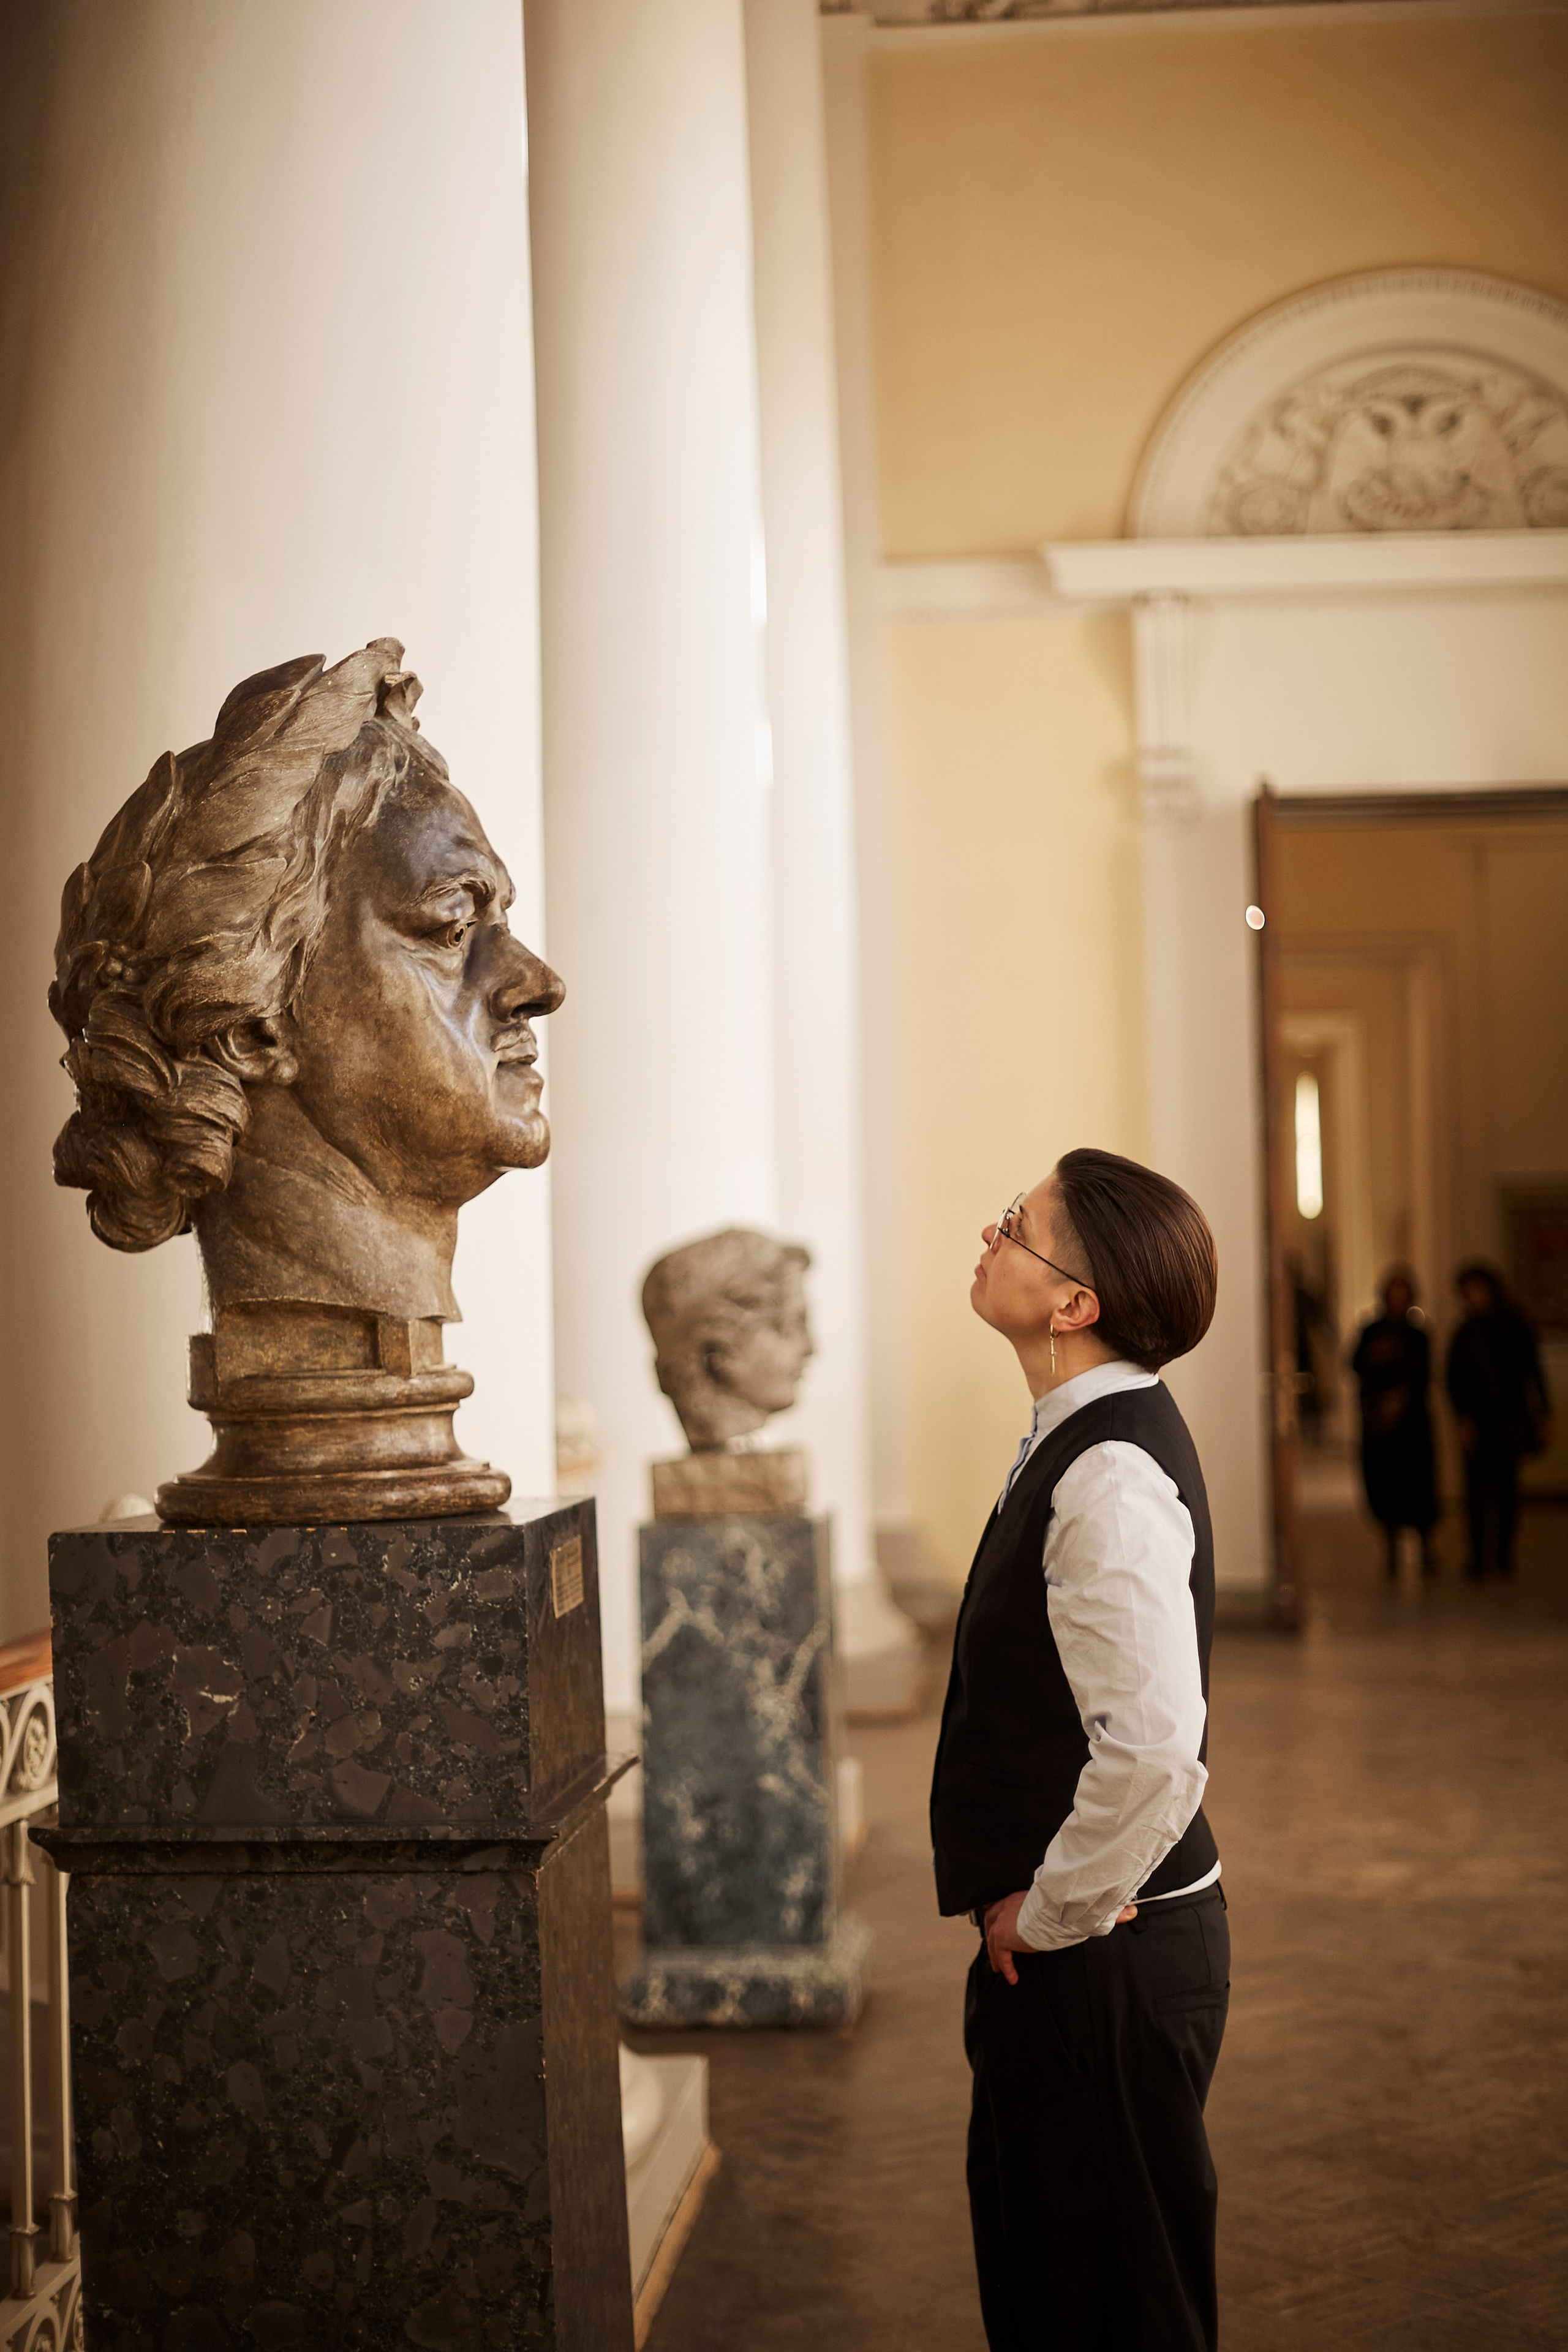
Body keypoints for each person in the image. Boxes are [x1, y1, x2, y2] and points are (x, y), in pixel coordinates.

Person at [931, 1147, 1226, 2352]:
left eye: (1014, 1224)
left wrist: (1046, 1914)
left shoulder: (1103, 1474)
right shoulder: (1073, 1435)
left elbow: (1155, 1751)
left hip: (1102, 1961)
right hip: (1080, 1960)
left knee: (1112, 2313)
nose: (987, 1233)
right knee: (1054, 2289)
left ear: (1074, 1305)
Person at [1445, 1261, 1551, 1578]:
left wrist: (1542, 1412)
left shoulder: (1515, 1325)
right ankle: (1479, 1556)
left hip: (1510, 1418)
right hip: (1479, 1421)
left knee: (1507, 1490)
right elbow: (1454, 1379)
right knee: (1477, 1492)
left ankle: (1504, 1553)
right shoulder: (1466, 1331)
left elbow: (1533, 1371)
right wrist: (1463, 1416)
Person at [1350, 1267, 1439, 1578]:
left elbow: (1424, 1376)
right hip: (1379, 1427)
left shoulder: (1418, 1335)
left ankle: (1426, 1550)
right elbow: (1354, 1364)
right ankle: (1391, 1551)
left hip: (1412, 1425)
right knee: (1385, 1486)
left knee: (1418, 1487)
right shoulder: (1371, 1331)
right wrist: (1376, 1356)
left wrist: (1400, 1399)